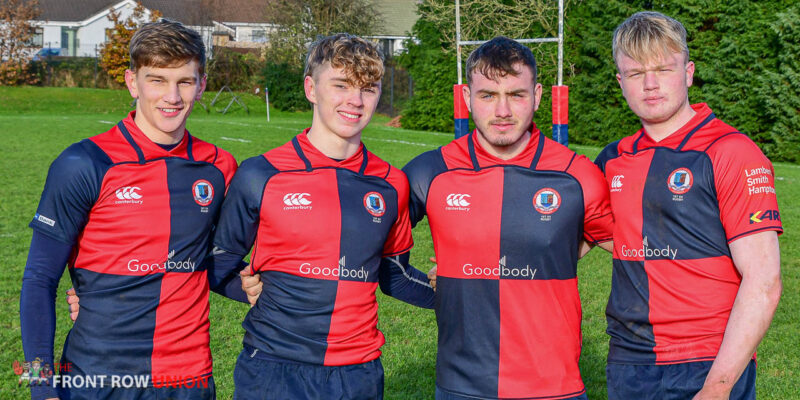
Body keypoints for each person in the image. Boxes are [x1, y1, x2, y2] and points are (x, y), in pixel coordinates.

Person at [20, 20, 251, 400]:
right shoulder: (84, 163)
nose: (172, 96)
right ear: (132, 82)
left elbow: (208, 263)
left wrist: (267, 287)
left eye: (185, 82)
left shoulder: (219, 166)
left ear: (202, 85)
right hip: (96, 379)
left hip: (189, 381)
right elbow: (38, 279)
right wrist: (40, 386)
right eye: (157, 80)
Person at [209, 33, 434, 400]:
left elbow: (395, 275)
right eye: (341, 85)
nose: (355, 101)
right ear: (311, 89)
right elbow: (218, 261)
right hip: (272, 367)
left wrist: (463, 293)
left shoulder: (391, 183)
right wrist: (243, 288)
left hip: (358, 373)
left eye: (368, 88)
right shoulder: (261, 174)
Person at [405, 36, 614, 400]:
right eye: (488, 95)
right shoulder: (431, 171)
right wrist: (440, 288)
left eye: (516, 95)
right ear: (467, 98)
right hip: (462, 387)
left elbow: (633, 246)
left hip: (554, 387)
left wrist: (556, 252)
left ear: (537, 95)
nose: (502, 110)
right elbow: (365, 244)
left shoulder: (576, 175)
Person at [594, 11, 783, 400]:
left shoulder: (730, 151)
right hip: (628, 361)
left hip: (707, 360)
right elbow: (564, 238)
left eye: (663, 69)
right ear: (620, 82)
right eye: (635, 73)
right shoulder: (612, 159)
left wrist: (717, 386)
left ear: (688, 72)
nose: (650, 84)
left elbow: (764, 282)